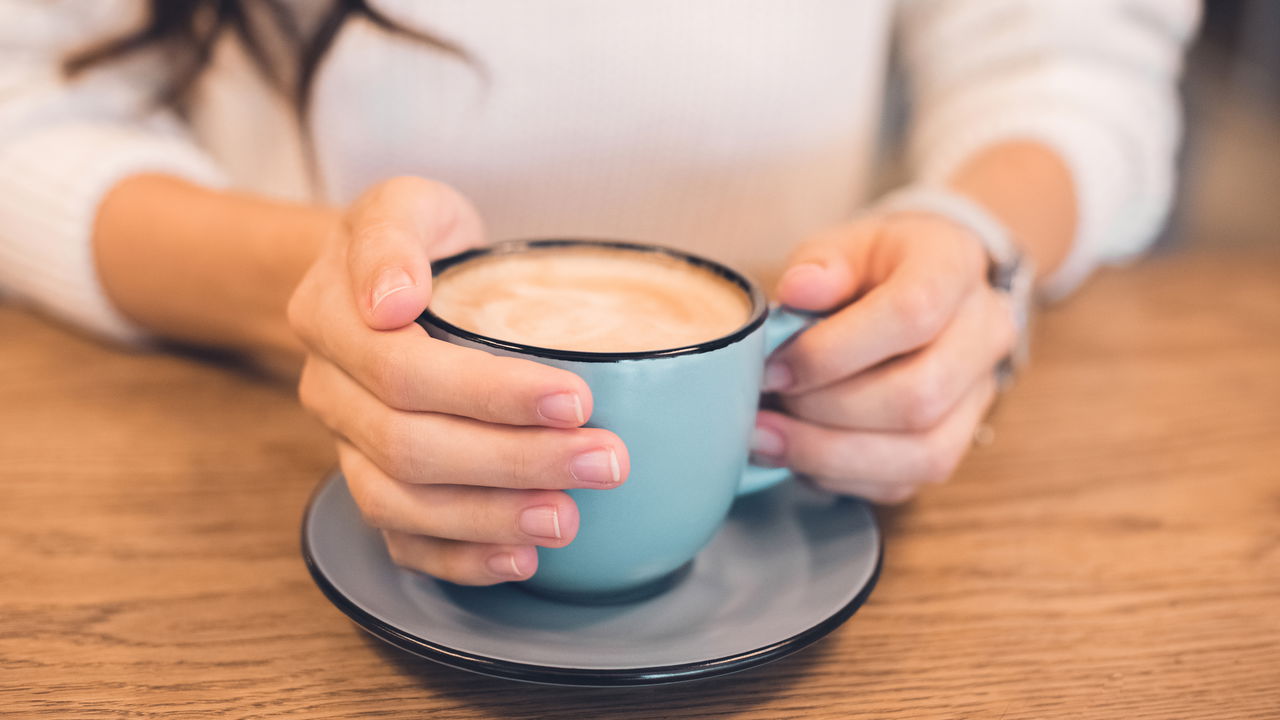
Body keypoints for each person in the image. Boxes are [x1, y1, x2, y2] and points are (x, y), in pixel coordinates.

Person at [0, 1, 1198, 585]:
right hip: (261, 477)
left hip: (829, 513)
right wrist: (313, 289)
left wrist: (967, 246)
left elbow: (1065, 57)